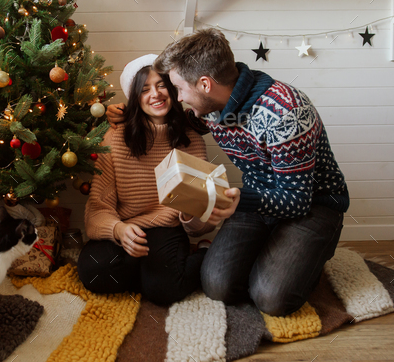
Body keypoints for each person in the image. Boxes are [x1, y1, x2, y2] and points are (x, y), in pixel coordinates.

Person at [106, 28, 349, 316]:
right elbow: (180, 121)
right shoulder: (210, 107)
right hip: (258, 199)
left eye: (180, 89)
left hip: (312, 205)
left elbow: (296, 200)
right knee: (217, 285)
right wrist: (130, 111)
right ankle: (274, 257)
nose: (180, 98)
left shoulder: (285, 113)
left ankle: (309, 259)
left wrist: (238, 202)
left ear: (205, 84)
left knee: (270, 299)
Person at [77, 54, 215, 306]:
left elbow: (202, 223)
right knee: (93, 272)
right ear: (134, 98)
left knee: (165, 292)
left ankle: (204, 254)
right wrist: (118, 230)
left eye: (162, 85)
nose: (156, 94)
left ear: (173, 90)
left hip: (167, 227)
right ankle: (153, 274)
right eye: (145, 89)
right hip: (126, 227)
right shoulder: (115, 136)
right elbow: (97, 210)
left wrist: (190, 214)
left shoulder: (191, 138)